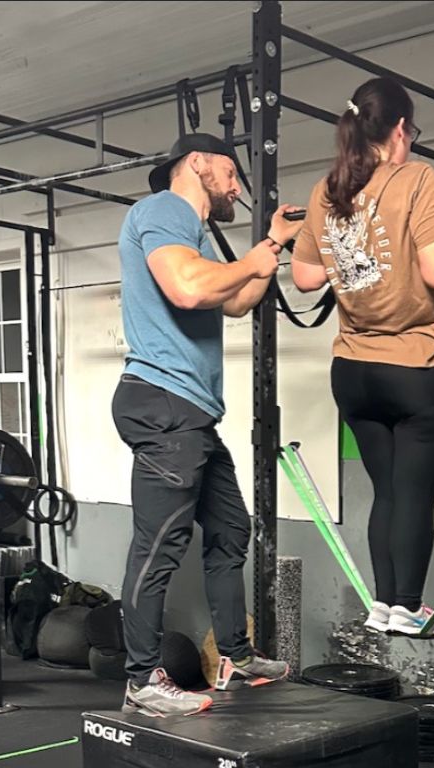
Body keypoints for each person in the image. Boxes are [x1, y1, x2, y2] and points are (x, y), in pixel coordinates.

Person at [114, 131, 303, 718]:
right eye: (230, 173)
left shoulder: (190, 235)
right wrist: (252, 259)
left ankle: (235, 657)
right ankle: (141, 680)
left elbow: (237, 300)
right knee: (159, 546)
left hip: (190, 413)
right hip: (164, 404)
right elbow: (189, 288)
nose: (236, 187)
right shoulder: (165, 210)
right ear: (197, 163)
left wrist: (273, 244)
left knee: (229, 530)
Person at [291, 77, 434, 638]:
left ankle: (383, 604)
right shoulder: (417, 178)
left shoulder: (328, 190)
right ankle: (409, 606)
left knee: (388, 491)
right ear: (401, 129)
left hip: (355, 371)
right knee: (415, 493)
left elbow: (304, 277)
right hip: (424, 368)